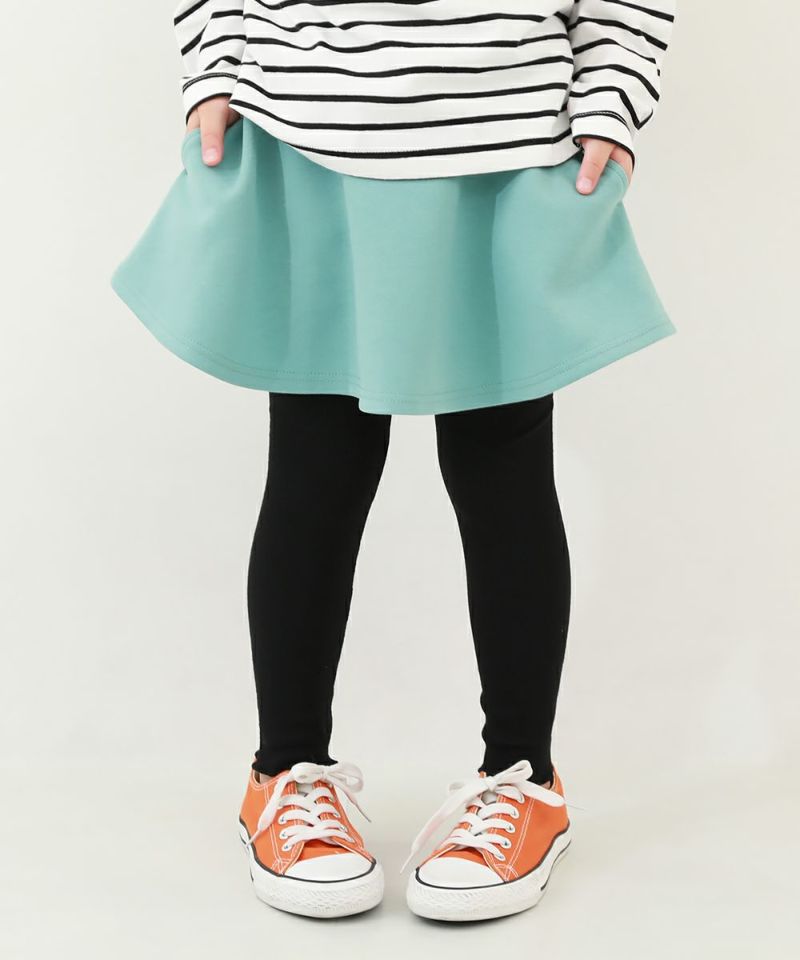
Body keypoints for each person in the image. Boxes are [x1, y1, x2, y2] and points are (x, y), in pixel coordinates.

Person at [112, 0, 676, 922]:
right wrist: (213, 63)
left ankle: (523, 777)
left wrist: (611, 96)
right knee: (316, 463)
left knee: (502, 468)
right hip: (308, 124)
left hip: (508, 133)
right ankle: (285, 769)